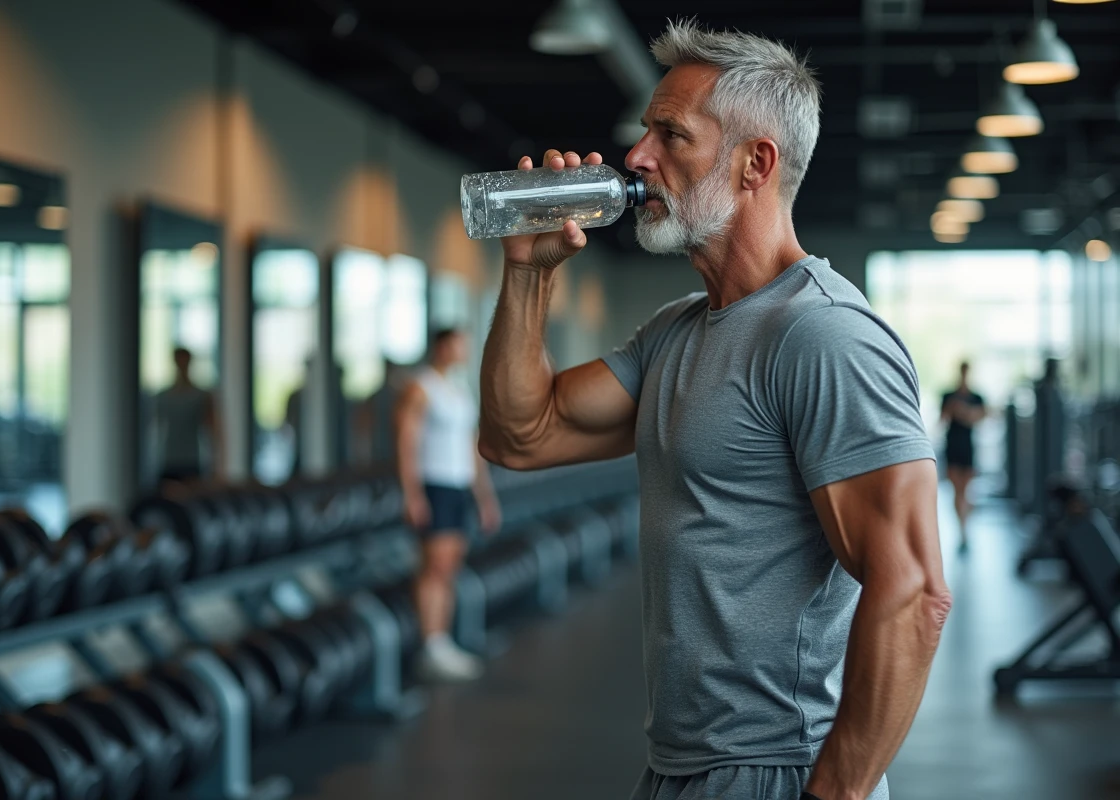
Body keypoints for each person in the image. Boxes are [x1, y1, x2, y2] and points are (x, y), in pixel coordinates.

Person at [478, 21, 951, 800]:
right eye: (644, 134)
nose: (637, 158)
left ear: (754, 163)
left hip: (777, 770)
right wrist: (529, 274)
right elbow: (516, 436)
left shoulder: (824, 335)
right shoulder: (674, 333)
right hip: (679, 766)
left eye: (671, 135)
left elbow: (914, 593)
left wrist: (832, 795)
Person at [395, 329, 501, 682]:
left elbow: (473, 448)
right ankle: (431, 646)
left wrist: (485, 497)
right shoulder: (420, 387)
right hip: (434, 485)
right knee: (434, 568)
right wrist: (411, 494)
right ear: (441, 347)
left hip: (459, 488)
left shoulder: (460, 391)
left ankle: (442, 643)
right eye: (458, 343)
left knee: (451, 566)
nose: (464, 350)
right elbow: (406, 443)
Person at [154, 347, 225, 486]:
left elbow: (214, 431)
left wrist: (217, 466)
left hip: (192, 460)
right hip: (169, 459)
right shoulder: (163, 397)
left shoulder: (200, 396)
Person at [940, 361, 986, 553]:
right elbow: (942, 419)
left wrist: (964, 413)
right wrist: (956, 411)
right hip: (952, 446)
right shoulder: (948, 395)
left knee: (965, 492)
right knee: (956, 491)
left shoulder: (977, 397)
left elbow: (980, 418)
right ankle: (962, 530)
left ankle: (964, 529)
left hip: (968, 447)